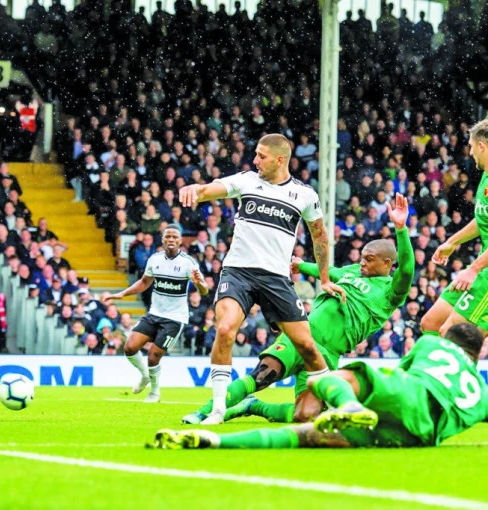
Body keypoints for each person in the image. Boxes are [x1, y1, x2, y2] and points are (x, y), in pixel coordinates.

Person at [182, 194, 414, 424]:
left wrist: (401, 229)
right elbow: (330, 272)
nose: (362, 262)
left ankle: (253, 406)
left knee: (306, 416)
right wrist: (301, 265)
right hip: (302, 335)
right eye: (362, 257)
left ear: (386, 263)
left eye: (369, 259)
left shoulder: (390, 292)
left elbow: (406, 269)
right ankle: (204, 412)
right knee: (263, 375)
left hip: (328, 354)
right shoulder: (353, 271)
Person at [178, 134, 344, 424]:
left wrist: (325, 279)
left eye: (261, 156)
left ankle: (336, 404)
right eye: (256, 154)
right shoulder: (246, 181)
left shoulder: (304, 194)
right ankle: (218, 410)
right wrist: (197, 189)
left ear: (280, 160)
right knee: (225, 329)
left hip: (276, 278)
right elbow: (210, 189)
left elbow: (319, 236)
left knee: (307, 346)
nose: (255, 160)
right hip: (238, 272)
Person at [151, 323, 488, 449]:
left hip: (406, 394)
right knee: (309, 433)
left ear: (448, 339)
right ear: (476, 355)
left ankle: (350, 405)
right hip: (419, 435)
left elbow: (402, 374)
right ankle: (215, 441)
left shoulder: (432, 344)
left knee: (326, 380)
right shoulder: (481, 393)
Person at [100, 226, 209, 402]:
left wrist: (199, 284)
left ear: (180, 241)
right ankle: (145, 376)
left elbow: (204, 291)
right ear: (163, 239)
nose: (171, 239)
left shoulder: (188, 263)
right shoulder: (155, 259)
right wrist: (122, 294)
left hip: (175, 318)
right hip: (154, 314)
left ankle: (154, 392)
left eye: (174, 237)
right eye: (168, 236)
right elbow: (144, 282)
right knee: (129, 347)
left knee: (153, 355)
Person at [421, 120, 488, 337]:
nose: (471, 152)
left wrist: (473, 269)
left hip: (484, 272)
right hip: (483, 265)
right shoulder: (485, 175)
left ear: (481, 146)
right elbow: (482, 219)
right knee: (430, 324)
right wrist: (452, 242)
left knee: (451, 334)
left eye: (471, 146)